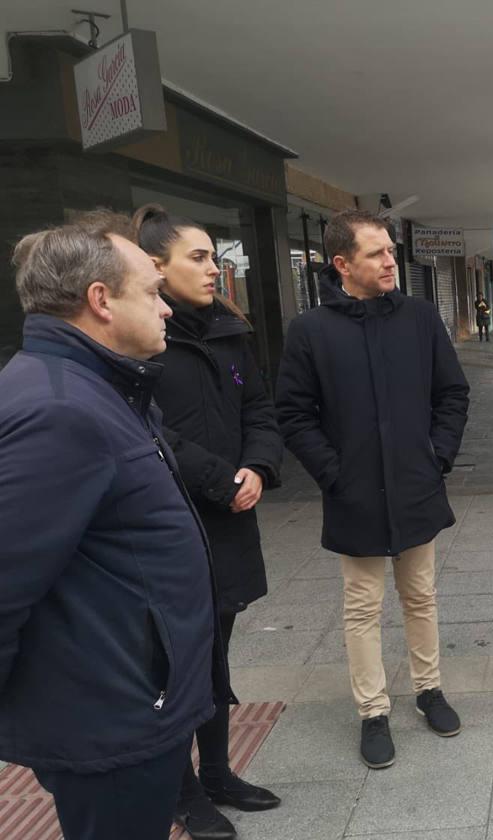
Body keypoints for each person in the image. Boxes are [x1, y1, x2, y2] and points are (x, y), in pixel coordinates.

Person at [0, 211, 233, 839]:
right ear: (100, 301)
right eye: (153, 293)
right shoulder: (59, 410)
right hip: (110, 715)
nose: (165, 311)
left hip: (129, 701)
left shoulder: (98, 389)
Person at [275, 210, 470, 769]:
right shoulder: (310, 331)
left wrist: (437, 457)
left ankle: (429, 690)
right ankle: (373, 712)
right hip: (355, 493)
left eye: (390, 250)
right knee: (362, 605)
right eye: (376, 253)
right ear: (342, 264)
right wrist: (334, 474)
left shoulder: (419, 317)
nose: (390, 261)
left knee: (421, 594)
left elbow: (452, 394)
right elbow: (293, 414)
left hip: (416, 484)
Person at [132, 204, 284, 840]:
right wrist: (223, 481)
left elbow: (261, 409)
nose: (213, 268)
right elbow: (150, 431)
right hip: (174, 523)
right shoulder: (143, 341)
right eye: (197, 257)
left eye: (214, 256)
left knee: (216, 654)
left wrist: (256, 467)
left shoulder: (229, 329)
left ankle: (217, 771)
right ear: (155, 267)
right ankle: (184, 791)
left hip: (227, 520)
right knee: (174, 667)